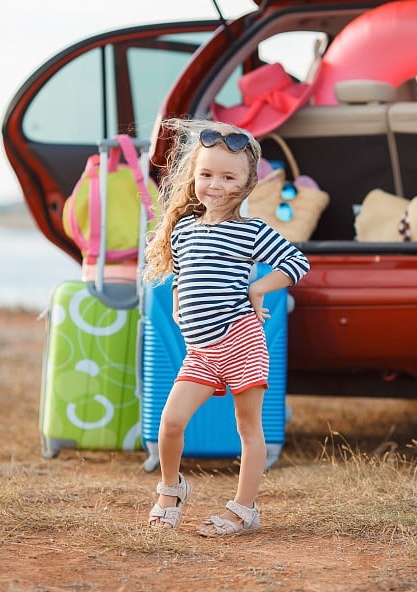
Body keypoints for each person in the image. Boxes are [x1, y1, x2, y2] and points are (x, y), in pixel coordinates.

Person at [144, 118, 309, 536]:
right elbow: (183, 276)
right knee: (170, 424)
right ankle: (170, 489)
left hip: (241, 342)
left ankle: (244, 509)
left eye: (227, 176)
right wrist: (181, 309)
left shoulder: (251, 232)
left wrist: (258, 290)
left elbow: (297, 264)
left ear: (247, 183)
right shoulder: (183, 229)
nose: (214, 185)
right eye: (206, 174)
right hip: (201, 351)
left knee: (249, 428)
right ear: (194, 176)